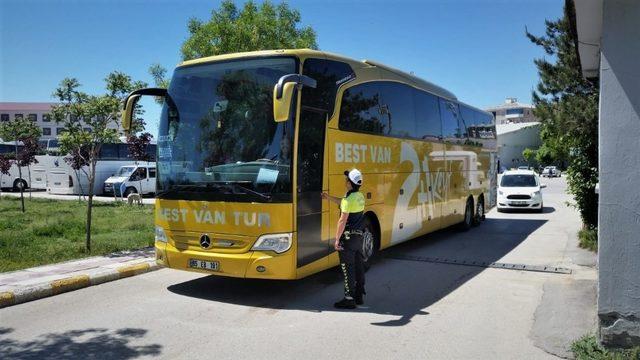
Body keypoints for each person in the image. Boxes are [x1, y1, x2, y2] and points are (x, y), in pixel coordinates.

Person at [321, 168, 366, 309]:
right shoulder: (360, 196)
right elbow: (344, 202)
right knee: (359, 266)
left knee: (348, 268)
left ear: (349, 183)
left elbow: (342, 220)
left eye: (347, 179)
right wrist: (328, 198)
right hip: (358, 238)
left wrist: (336, 239)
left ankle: (349, 298)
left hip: (347, 238)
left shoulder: (348, 199)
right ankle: (359, 296)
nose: (345, 180)